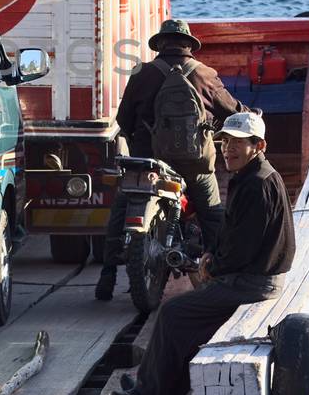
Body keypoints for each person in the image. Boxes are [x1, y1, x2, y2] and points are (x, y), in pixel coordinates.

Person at [111, 111, 296, 395]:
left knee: (173, 313)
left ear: (259, 146)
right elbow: (234, 237)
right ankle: (158, 388)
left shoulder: (256, 185)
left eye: (238, 143)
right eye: (225, 142)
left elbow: (242, 249)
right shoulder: (254, 177)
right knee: (186, 312)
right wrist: (213, 256)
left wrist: (212, 267)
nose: (228, 148)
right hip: (252, 278)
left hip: (254, 285)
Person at [95, 18, 242, 301]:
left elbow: (123, 120)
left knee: (122, 208)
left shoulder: (142, 74)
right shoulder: (206, 75)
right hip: (194, 165)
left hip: (147, 164)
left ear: (160, 45)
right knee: (212, 214)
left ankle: (107, 276)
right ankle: (221, 275)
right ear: (189, 46)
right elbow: (232, 113)